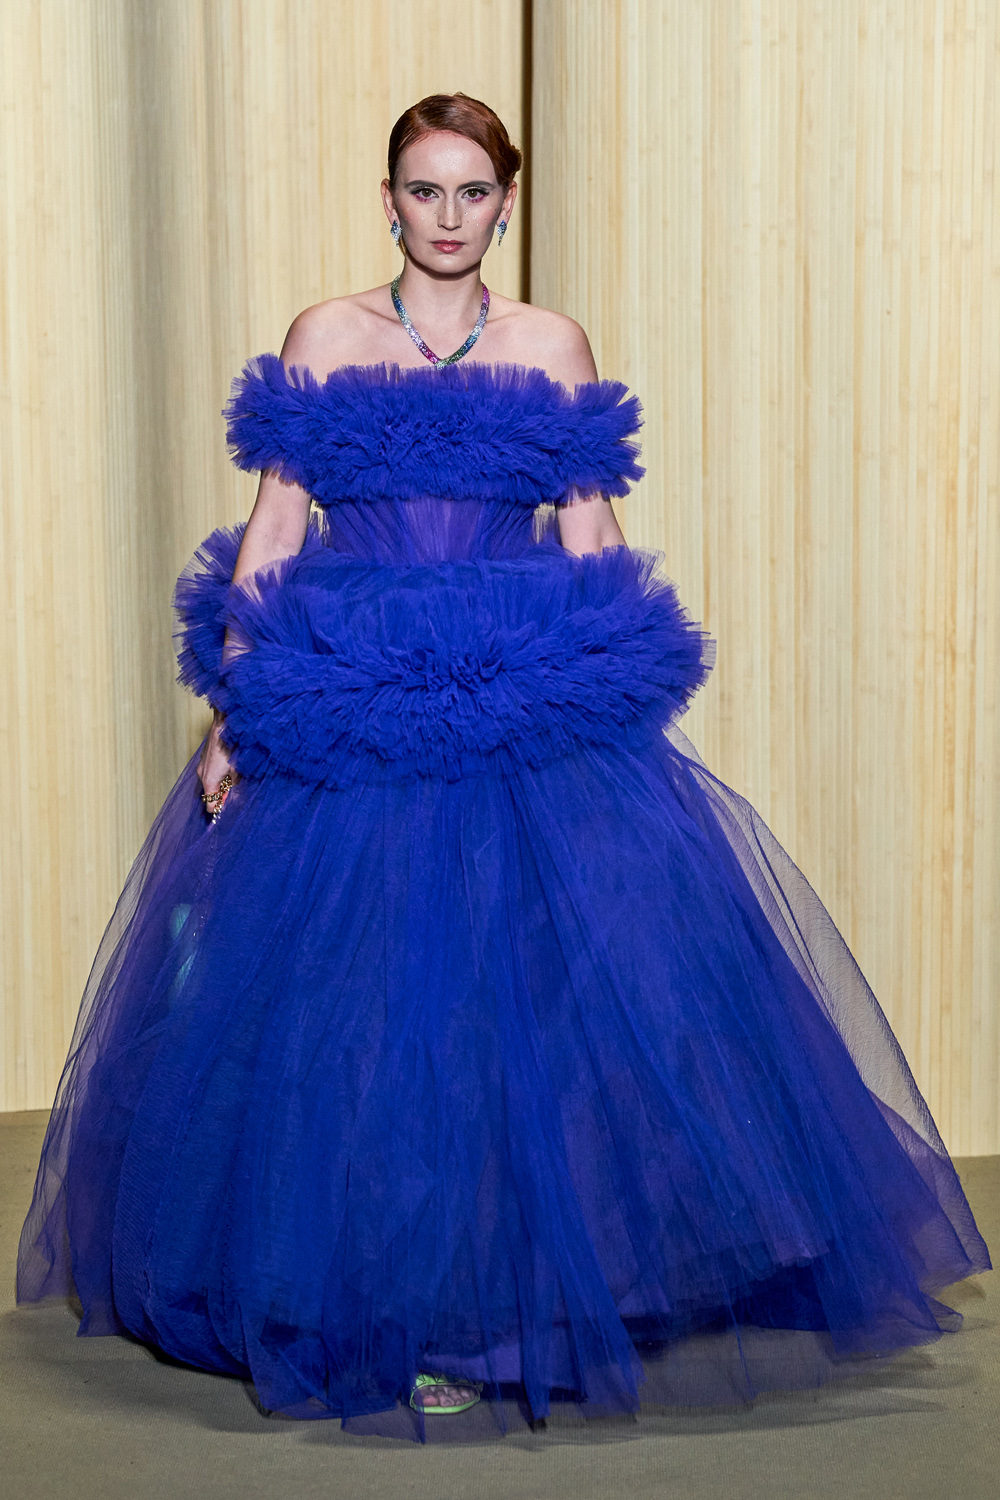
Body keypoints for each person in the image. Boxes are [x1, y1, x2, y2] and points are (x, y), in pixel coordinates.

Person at [17, 92, 990, 1440]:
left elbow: (591, 532)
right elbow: (274, 532)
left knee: (514, 1001)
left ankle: (496, 1311)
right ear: (389, 201)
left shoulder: (548, 344)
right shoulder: (325, 336)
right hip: (354, 691)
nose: (449, 215)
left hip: (519, 686)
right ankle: (386, 1307)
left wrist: (623, 684)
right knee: (361, 1006)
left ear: (507, 203)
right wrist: (233, 711)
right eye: (425, 190)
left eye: (473, 192)